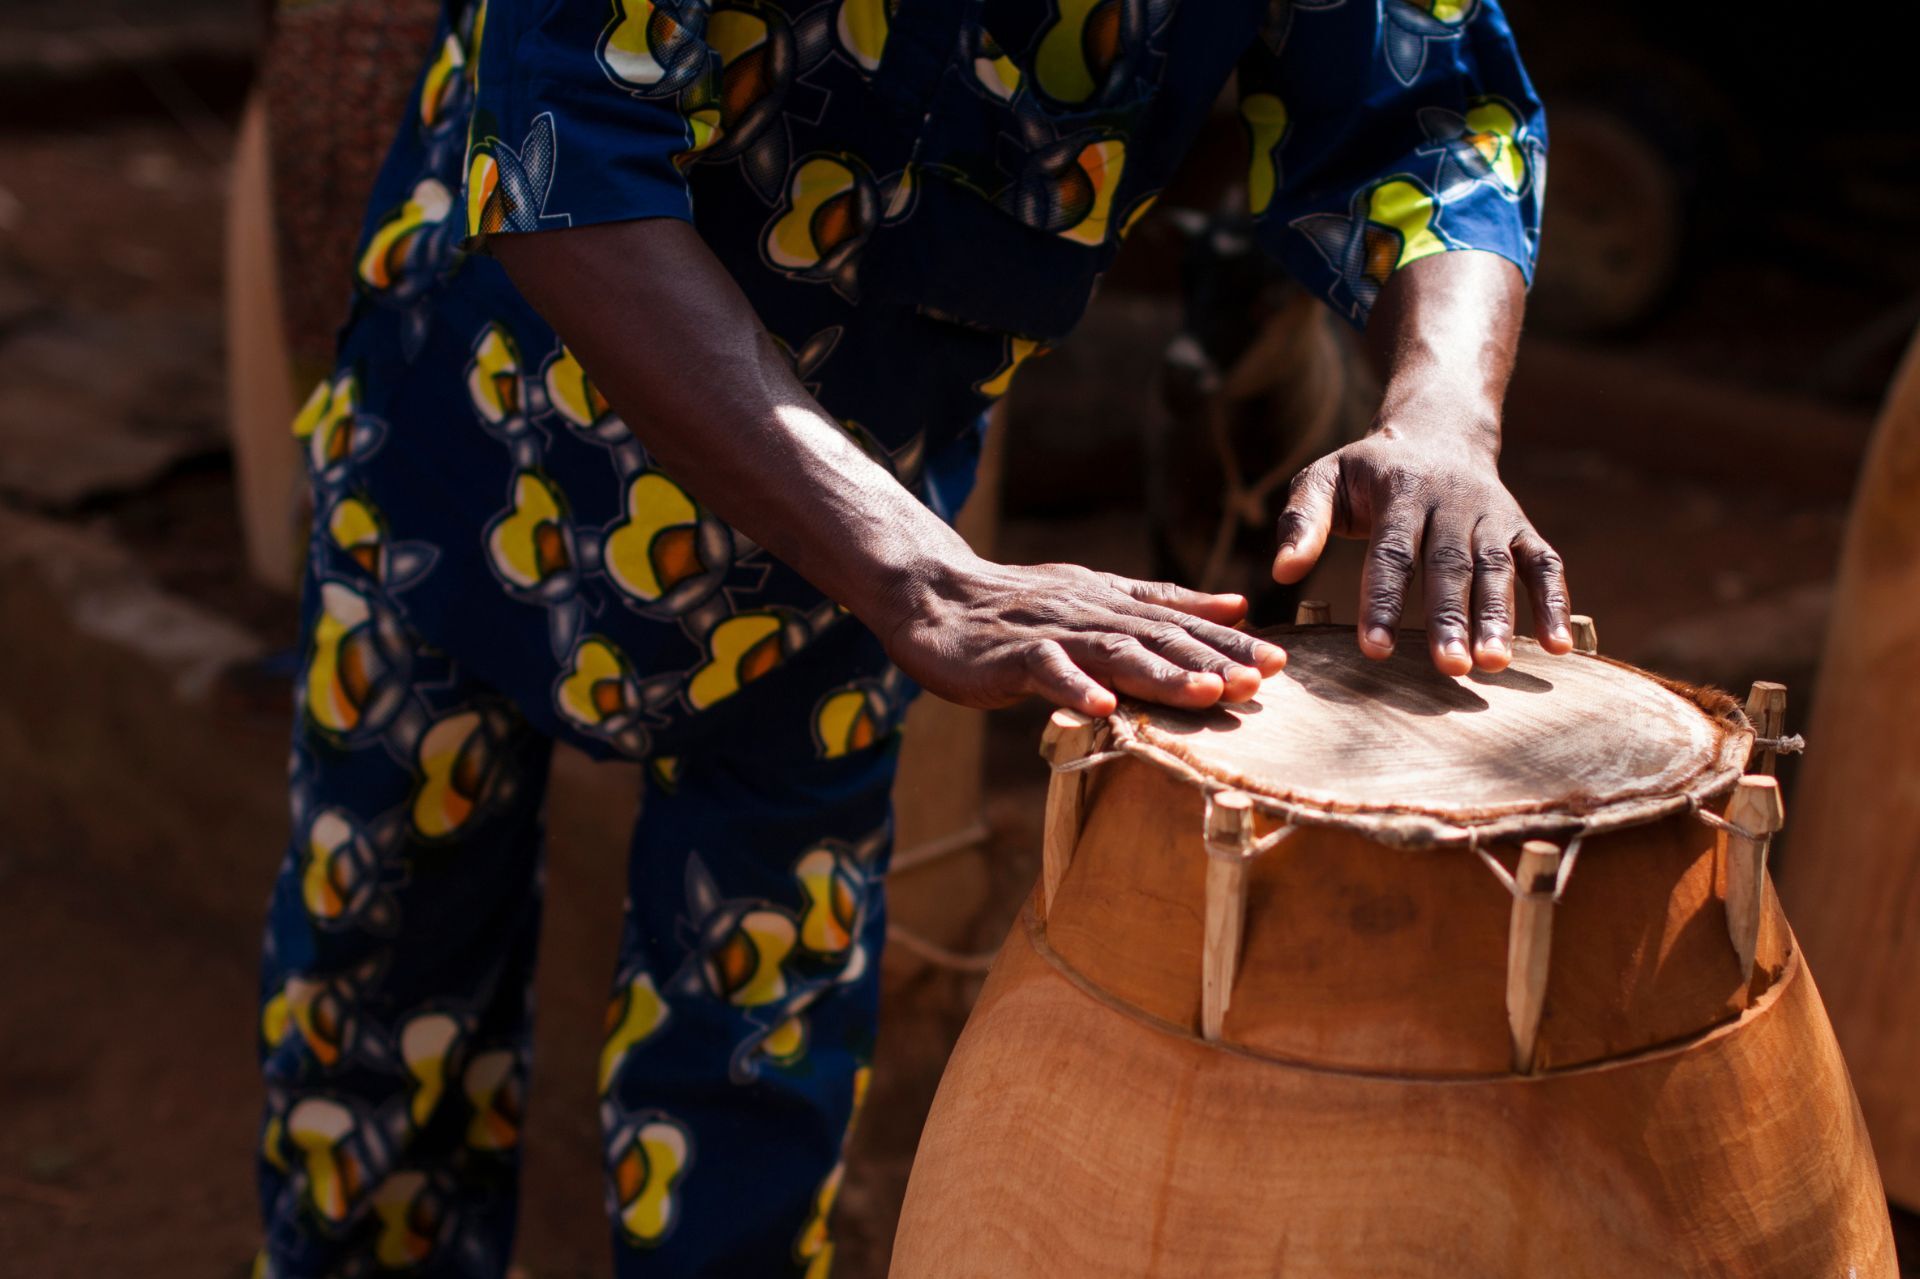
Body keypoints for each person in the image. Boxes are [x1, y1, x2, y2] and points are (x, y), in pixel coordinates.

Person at [254, 1, 1570, 1274]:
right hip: (474, 456)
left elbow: (1430, 107)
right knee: (378, 1020)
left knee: (751, 1087)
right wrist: (920, 580)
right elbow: (563, 153)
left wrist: (1446, 406)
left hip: (840, 569)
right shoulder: (897, 573)